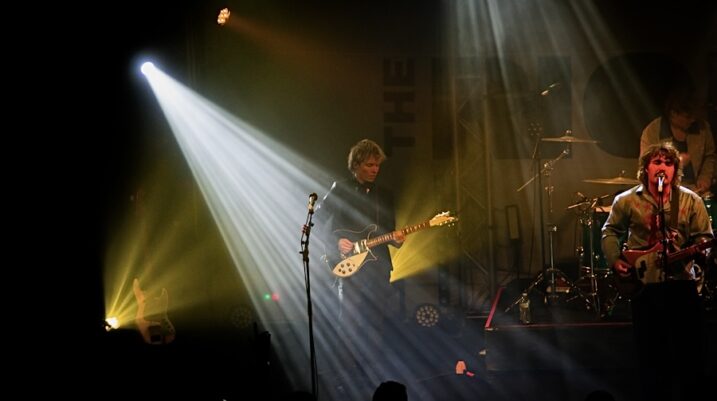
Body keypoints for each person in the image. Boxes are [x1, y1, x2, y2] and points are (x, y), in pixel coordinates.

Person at [601, 143, 711, 401]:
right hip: (644, 286)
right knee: (650, 353)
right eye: (657, 162)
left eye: (668, 163)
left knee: (689, 353)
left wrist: (699, 254)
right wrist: (615, 260)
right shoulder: (626, 200)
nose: (663, 167)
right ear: (646, 168)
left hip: (681, 283)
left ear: (675, 170)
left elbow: (704, 238)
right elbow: (610, 231)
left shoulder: (690, 200)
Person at [313, 139, 405, 379]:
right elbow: (317, 220)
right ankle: (346, 374)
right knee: (350, 320)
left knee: (376, 320)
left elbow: (390, 231)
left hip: (378, 265)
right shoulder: (341, 189)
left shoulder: (385, 195)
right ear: (356, 165)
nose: (375, 169)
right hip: (350, 265)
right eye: (369, 165)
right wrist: (335, 242)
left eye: (377, 165)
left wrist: (397, 239)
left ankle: (373, 373)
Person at [640, 86, 716, 196]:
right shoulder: (652, 132)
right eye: (688, 116)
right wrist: (675, 162)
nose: (693, 120)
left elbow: (709, 156)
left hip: (695, 190)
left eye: (694, 115)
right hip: (664, 191)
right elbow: (647, 167)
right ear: (673, 113)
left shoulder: (702, 128)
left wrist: (705, 177)